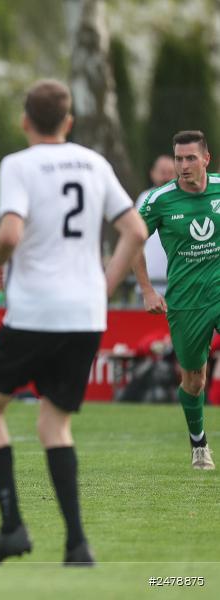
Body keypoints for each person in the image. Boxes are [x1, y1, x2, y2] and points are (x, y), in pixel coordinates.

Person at [0, 79, 147, 565]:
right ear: (69, 122)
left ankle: (12, 528)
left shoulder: (18, 164)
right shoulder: (94, 162)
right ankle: (76, 544)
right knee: (55, 423)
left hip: (34, 311)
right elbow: (135, 229)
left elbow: (10, 230)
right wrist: (103, 287)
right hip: (84, 315)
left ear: (25, 121)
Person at [134, 130, 220, 471]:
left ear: (206, 159)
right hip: (186, 302)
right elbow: (131, 240)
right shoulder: (159, 200)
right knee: (194, 381)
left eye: (190, 158)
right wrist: (146, 290)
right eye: (178, 158)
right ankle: (198, 442)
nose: (183, 165)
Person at [133, 155, 176, 296]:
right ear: (152, 174)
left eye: (170, 172)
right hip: (148, 284)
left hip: (177, 285)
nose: (166, 177)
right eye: (162, 172)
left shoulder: (183, 199)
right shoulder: (144, 198)